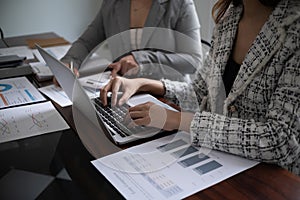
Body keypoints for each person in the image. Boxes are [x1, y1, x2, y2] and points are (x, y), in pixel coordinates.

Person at [100, 0, 300, 175]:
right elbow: (200, 92)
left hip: (272, 179)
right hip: (218, 161)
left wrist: (178, 119)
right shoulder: (229, 17)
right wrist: (144, 84)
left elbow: (282, 139)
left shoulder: (294, 28)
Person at [60, 0, 202, 80]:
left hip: (167, 95)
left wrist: (142, 58)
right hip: (122, 90)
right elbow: (86, 42)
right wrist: (70, 63)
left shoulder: (181, 3)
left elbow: (193, 61)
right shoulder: (111, 3)